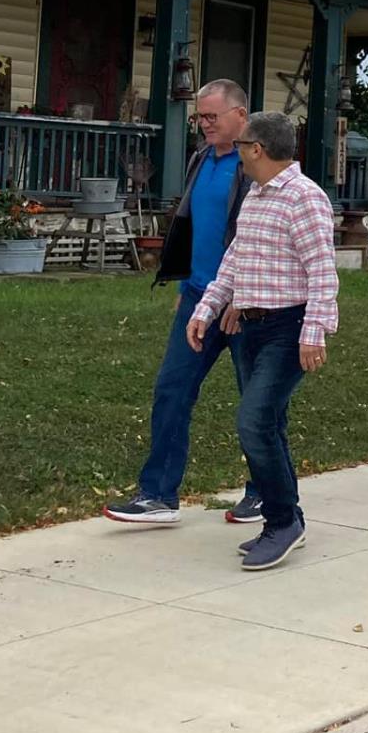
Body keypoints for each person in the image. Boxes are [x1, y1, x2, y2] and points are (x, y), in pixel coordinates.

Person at [185, 112, 338, 571]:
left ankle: (281, 523)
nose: (237, 153)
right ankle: (288, 517)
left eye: (243, 145)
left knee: (253, 421)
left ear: (258, 149)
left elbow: (322, 272)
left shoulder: (305, 198)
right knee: (269, 423)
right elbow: (235, 260)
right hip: (248, 328)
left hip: (287, 329)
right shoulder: (255, 195)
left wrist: (313, 334)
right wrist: (206, 309)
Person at [106, 80, 258, 527]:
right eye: (200, 117)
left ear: (241, 116)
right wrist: (183, 289)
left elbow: (257, 241)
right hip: (198, 297)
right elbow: (193, 227)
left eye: (212, 116)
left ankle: (266, 492)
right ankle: (158, 495)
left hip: (244, 305)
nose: (204, 124)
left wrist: (241, 297)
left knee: (256, 403)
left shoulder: (255, 167)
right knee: (172, 390)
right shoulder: (200, 160)